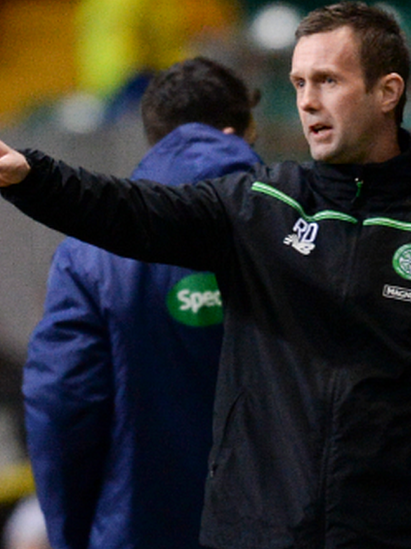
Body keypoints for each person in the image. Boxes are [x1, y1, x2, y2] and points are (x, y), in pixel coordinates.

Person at [0, 3, 411, 548]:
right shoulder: (259, 205)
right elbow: (129, 211)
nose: (307, 101)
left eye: (328, 81)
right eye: (299, 83)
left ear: (388, 91)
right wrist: (29, 175)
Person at [22, 57, 261, 549]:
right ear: (240, 131)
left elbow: (61, 407)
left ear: (155, 138)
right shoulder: (300, 233)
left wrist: (72, 536)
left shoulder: (87, 254)